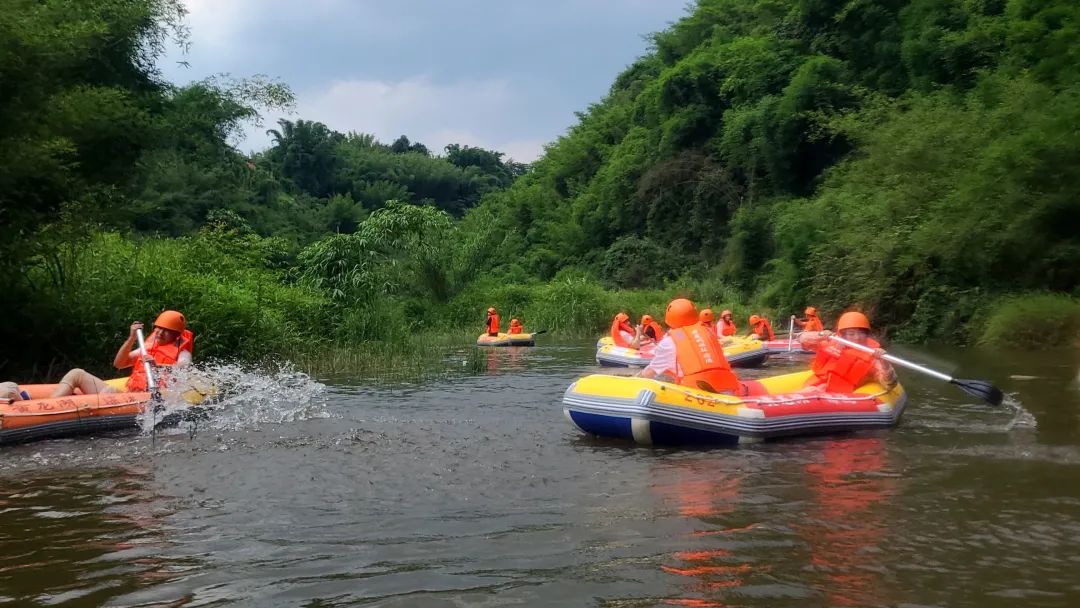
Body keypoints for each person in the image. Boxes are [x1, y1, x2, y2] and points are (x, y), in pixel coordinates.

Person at [50, 310, 194, 397]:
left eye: (166, 330)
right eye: (158, 328)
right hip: (131, 393)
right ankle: (51, 404)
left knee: (109, 392)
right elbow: (119, 364)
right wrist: (131, 338)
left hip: (149, 397)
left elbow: (183, 368)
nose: (160, 333)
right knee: (77, 373)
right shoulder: (147, 347)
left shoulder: (183, 352)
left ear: (175, 335)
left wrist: (158, 366)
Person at [639, 298, 740, 394]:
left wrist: (632, 380)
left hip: (696, 392)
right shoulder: (708, 332)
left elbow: (650, 372)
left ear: (669, 319)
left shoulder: (668, 342)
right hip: (728, 388)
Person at [798, 311, 897, 392]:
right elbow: (802, 339)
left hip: (839, 397)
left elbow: (889, 384)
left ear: (867, 334)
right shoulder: (831, 343)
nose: (857, 338)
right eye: (851, 334)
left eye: (861, 333)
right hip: (814, 387)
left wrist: (885, 363)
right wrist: (820, 335)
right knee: (811, 390)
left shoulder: (873, 358)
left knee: (813, 391)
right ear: (843, 335)